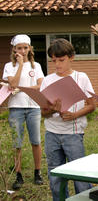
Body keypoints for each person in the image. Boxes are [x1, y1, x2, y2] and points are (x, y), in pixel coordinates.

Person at [40, 38, 96, 201]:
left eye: (61, 60)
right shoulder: (47, 80)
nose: (57, 64)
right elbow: (43, 113)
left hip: (73, 133)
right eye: (54, 60)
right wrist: (52, 109)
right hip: (52, 133)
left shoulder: (81, 77)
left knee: (79, 174)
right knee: (55, 174)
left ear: (71, 57)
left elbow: (92, 105)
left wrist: (74, 115)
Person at [2, 34, 44, 190]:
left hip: (34, 107)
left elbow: (40, 85)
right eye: (19, 48)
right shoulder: (9, 66)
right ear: (14, 49)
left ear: (30, 48)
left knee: (36, 141)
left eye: (25, 47)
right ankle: (18, 174)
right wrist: (19, 65)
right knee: (17, 143)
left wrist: (21, 89)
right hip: (16, 108)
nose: (23, 51)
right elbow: (12, 83)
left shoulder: (36, 66)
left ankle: (37, 172)